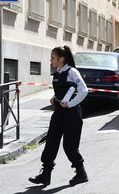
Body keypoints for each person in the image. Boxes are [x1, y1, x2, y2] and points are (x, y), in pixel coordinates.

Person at [29, 46, 89, 186]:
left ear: (61, 59)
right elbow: (64, 90)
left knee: (69, 146)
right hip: (59, 113)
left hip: (72, 114)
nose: (51, 61)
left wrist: (71, 104)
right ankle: (46, 175)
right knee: (51, 142)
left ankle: (81, 173)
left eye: (53, 58)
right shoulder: (58, 72)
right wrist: (54, 97)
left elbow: (83, 90)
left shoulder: (72, 71)